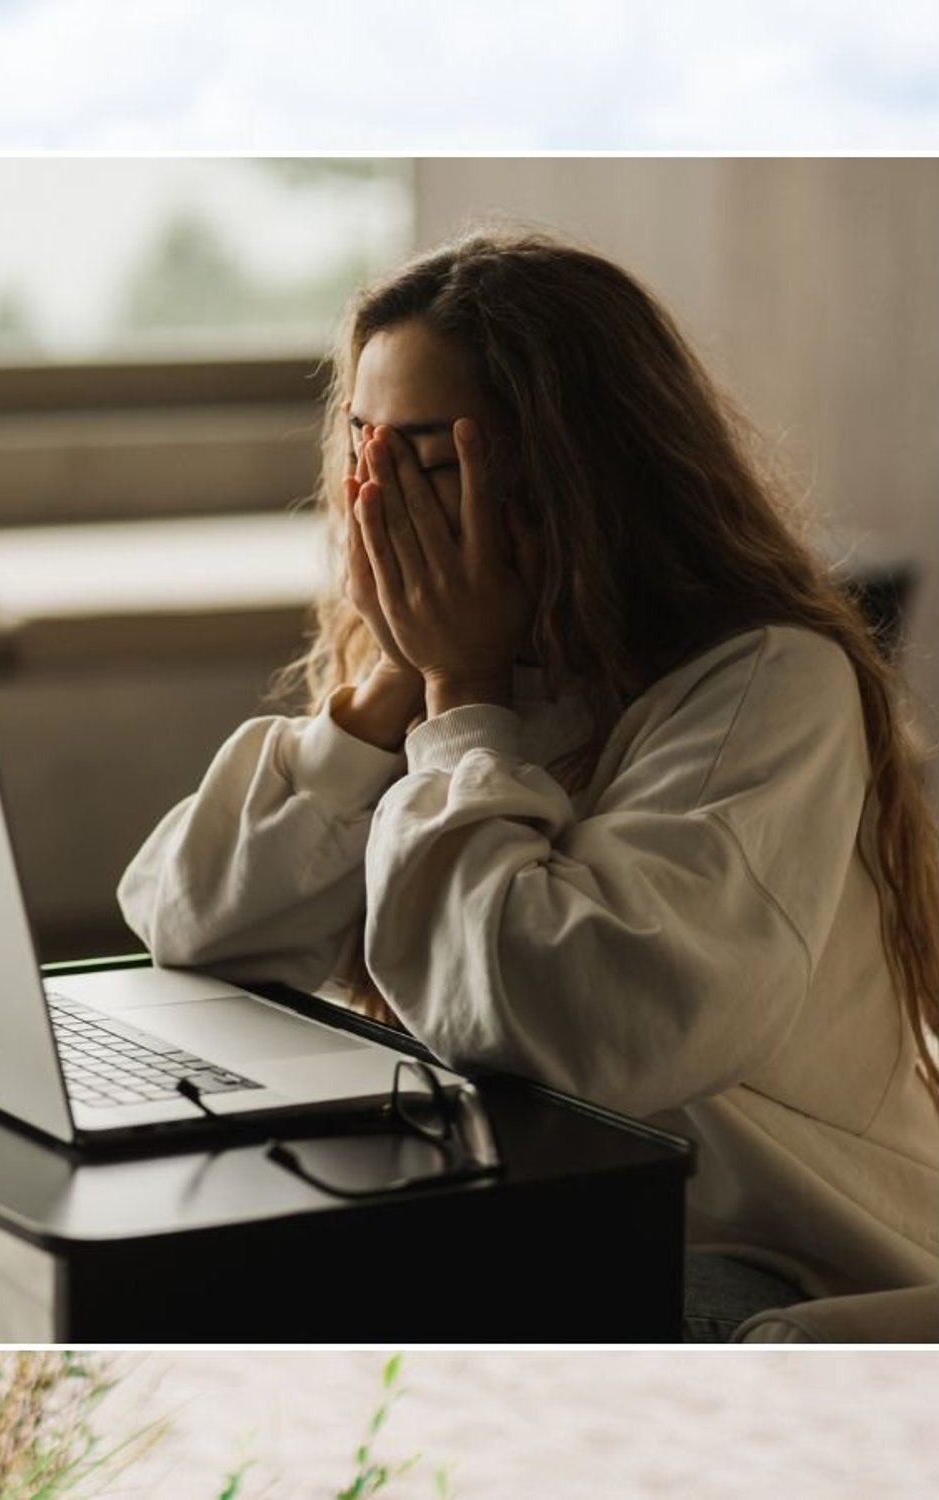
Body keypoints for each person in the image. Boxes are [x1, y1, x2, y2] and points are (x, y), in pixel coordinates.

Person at [119, 230, 939, 1340]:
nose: (379, 502)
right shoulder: (441, 673)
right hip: (519, 1195)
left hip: (752, 1250)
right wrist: (391, 687)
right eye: (362, 448)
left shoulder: (763, 683)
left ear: (572, 471)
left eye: (429, 463)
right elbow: (192, 930)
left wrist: (462, 698)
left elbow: (575, 1024)